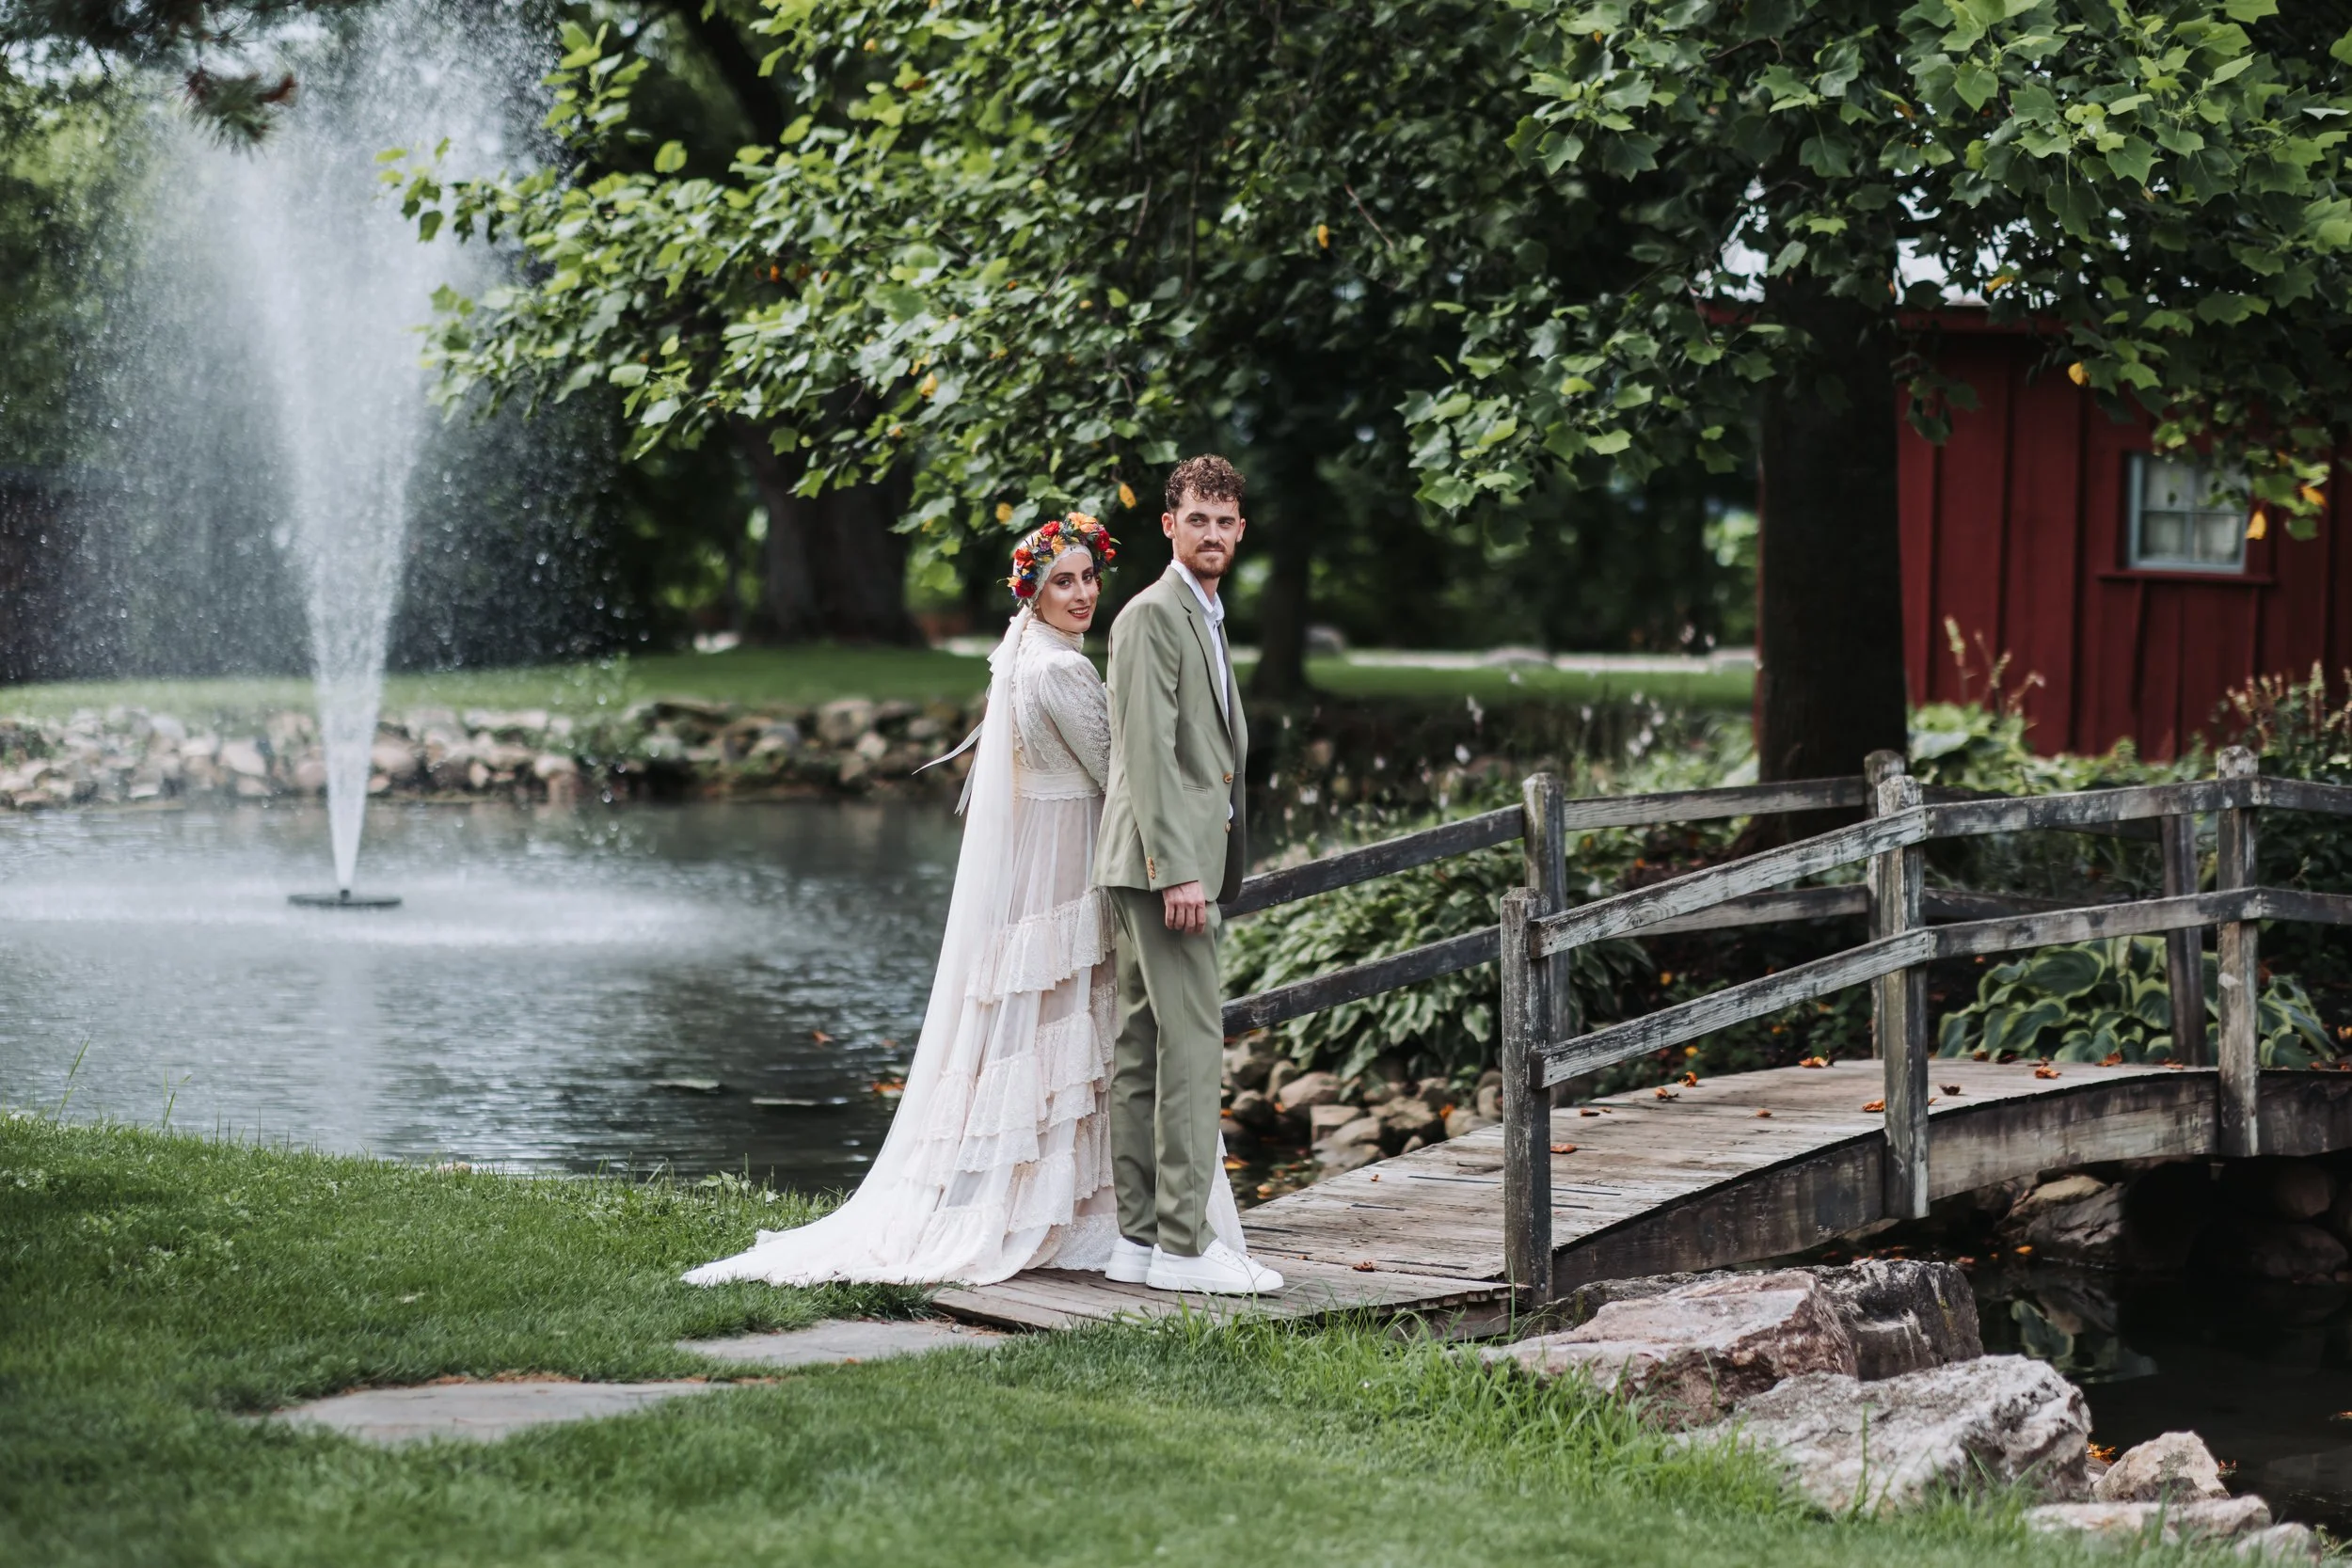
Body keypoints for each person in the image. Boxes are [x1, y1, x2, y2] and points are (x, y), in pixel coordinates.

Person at [681, 514, 1251, 1287]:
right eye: (1063, 582)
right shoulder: (1060, 672)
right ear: (1033, 594)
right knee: (1079, 1028)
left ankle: (1092, 1211)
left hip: (1053, 851)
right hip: (1072, 853)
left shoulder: (1027, 658)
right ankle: (1072, 1213)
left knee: (1071, 1031)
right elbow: (1119, 767)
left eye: (1088, 577)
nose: (1083, 594)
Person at [1095, 456, 1284, 1295]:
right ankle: (1182, 1244)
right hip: (1161, 866)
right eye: (1196, 519)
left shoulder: (1203, 613)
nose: (1212, 533)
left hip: (1162, 864)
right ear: (1168, 525)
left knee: (1143, 1044)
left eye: (1225, 521)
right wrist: (1177, 870)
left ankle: (1137, 1242)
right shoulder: (1150, 616)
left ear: (1240, 530)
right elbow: (1146, 755)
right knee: (1194, 1042)